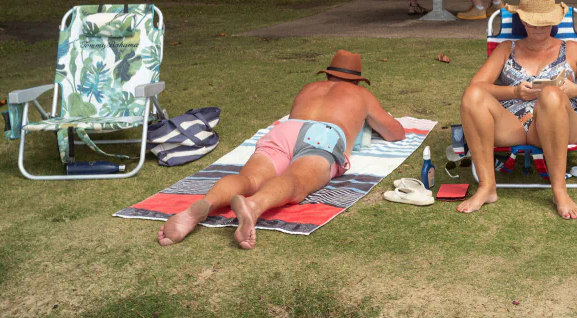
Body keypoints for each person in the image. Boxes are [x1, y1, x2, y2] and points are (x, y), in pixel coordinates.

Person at [157, 51, 405, 249]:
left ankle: (202, 205)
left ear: (328, 75)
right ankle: (254, 206)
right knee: (295, 181)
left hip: (286, 129)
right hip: (323, 136)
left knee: (249, 178)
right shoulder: (361, 94)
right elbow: (395, 133)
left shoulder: (309, 88)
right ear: (357, 80)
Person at [457, 0, 577, 219]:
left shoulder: (571, 50)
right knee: (471, 96)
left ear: (554, 20)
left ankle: (559, 192)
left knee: (551, 95)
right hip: (512, 125)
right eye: (533, 20)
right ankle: (487, 187)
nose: (540, 27)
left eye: (545, 20)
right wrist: (514, 92)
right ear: (522, 20)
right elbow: (477, 87)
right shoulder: (506, 49)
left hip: (560, 121)